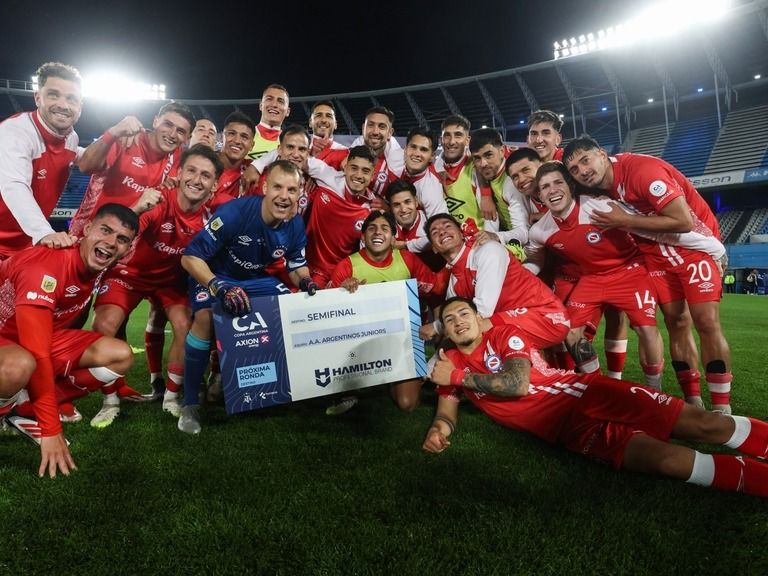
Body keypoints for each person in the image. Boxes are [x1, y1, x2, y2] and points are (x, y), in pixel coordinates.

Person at [424, 297, 768, 498]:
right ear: (446, 332)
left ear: (480, 320)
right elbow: (447, 411)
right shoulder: (449, 362)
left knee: (706, 424)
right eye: (449, 319)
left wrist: (458, 377)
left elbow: (517, 383)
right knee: (670, 462)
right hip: (567, 431)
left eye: (463, 314)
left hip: (588, 393)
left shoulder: (503, 335)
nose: (457, 321)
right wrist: (439, 430)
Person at [563, 136, 732, 413]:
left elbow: (683, 221)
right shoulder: (597, 191)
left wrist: (623, 220)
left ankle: (722, 408)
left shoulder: (642, 172)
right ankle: (693, 401)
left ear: (602, 155)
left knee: (706, 322)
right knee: (676, 322)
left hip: (693, 248)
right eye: (574, 169)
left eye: (585, 160)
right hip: (653, 254)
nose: (582, 170)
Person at [178, 160, 318, 434]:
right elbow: (190, 257)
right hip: (214, 275)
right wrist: (218, 286)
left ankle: (271, 388)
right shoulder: (234, 213)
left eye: (292, 190)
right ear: (265, 187)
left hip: (252, 279)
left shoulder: (295, 224)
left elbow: (295, 266)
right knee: (205, 319)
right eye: (278, 187)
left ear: (299, 193)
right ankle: (190, 403)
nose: (284, 196)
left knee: (288, 310)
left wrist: (306, 281)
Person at [88, 145, 222, 427]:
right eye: (192, 171)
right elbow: (130, 227)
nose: (197, 180)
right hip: (129, 275)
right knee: (104, 326)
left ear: (214, 184)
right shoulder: (158, 201)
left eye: (206, 175)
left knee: (187, 326)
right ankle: (110, 401)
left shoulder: (210, 221)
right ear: (180, 172)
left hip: (169, 282)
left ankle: (171, 398)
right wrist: (136, 209)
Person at [0, 204, 138, 477]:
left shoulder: (97, 260)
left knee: (119, 354)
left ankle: (22, 408)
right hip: (8, 339)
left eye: (121, 239)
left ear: (127, 250)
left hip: (38, 338)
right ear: (86, 230)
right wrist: (51, 430)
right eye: (105, 231)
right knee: (19, 365)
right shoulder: (47, 266)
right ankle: (4, 411)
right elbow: (37, 353)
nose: (111, 243)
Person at [526, 161, 664, 383]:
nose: (552, 190)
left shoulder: (600, 207)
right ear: (539, 196)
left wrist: (711, 249)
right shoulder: (540, 230)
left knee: (646, 331)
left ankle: (655, 391)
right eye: (544, 187)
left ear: (570, 186)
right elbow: (534, 259)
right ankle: (596, 385)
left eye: (558, 183)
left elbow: (648, 225)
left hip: (630, 272)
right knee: (570, 333)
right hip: (591, 279)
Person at [329, 210, 448, 414]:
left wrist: (457, 259)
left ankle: (391, 377)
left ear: (393, 238)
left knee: (407, 403)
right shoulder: (347, 265)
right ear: (363, 236)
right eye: (372, 228)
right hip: (360, 344)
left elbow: (436, 287)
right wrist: (341, 291)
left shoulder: (407, 260)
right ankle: (350, 389)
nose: (378, 233)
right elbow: (328, 313)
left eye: (385, 229)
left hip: (400, 342)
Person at [420, 213, 571, 353]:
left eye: (447, 226)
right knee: (465, 337)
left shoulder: (488, 250)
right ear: (434, 248)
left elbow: (483, 311)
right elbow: (452, 320)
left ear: (461, 234)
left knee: (475, 330)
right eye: (435, 232)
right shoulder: (454, 281)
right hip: (509, 320)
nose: (442, 232)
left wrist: (435, 327)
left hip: (547, 316)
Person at [70, 101, 195, 236]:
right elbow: (85, 167)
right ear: (155, 122)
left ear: (187, 139)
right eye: (168, 124)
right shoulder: (126, 139)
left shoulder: (179, 158)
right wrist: (113, 133)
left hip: (127, 241)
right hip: (89, 232)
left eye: (180, 131)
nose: (172, 134)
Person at [0, 62, 83, 259]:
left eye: (71, 99)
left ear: (80, 106)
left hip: (25, 245)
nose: (63, 105)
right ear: (38, 98)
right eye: (53, 95)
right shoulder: (15, 132)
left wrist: (112, 143)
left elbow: (76, 153)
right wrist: (44, 232)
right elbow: (14, 185)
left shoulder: (71, 137)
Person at [304, 146, 377, 287]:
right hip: (303, 266)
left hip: (338, 276)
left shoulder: (371, 211)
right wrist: (256, 166)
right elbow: (296, 156)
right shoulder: (327, 176)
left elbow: (364, 254)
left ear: (373, 175)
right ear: (345, 167)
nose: (359, 175)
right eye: (354, 168)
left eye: (366, 171)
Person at [468, 128, 528, 247]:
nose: (483, 163)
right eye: (477, 158)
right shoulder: (481, 174)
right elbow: (490, 221)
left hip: (527, 245)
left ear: (502, 150)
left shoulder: (511, 181)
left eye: (488, 155)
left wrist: (494, 236)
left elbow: (524, 233)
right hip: (506, 238)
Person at [435, 115, 493, 227]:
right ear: (441, 140)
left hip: (478, 238)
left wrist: (486, 194)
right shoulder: (433, 170)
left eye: (458, 135)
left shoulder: (477, 167)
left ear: (467, 140)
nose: (452, 142)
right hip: (449, 239)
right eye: (447, 136)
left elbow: (490, 217)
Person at [246, 84, 290, 160]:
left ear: (288, 112)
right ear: (260, 105)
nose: (274, 104)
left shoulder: (291, 143)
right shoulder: (244, 136)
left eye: (280, 101)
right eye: (269, 99)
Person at [308, 100, 347, 169]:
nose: (323, 120)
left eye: (329, 116)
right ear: (310, 122)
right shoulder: (299, 150)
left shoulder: (345, 152)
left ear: (335, 124)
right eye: (318, 115)